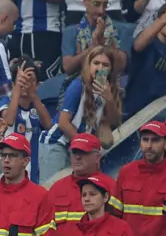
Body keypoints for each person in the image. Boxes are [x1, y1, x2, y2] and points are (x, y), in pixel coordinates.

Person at [39, 45, 122, 180]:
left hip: (77, 147)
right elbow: (63, 123)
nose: (100, 68)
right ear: (88, 65)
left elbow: (113, 122)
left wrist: (110, 99)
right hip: (57, 143)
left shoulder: (109, 91)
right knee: (52, 190)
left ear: (111, 69)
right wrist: (84, 145)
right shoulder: (78, 85)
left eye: (105, 65)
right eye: (96, 63)